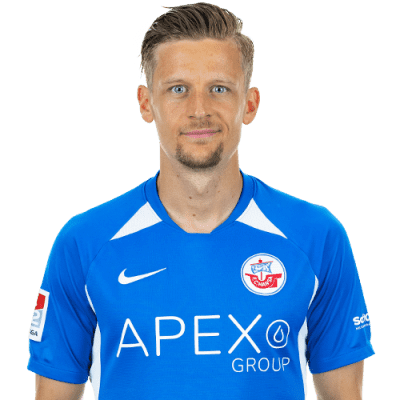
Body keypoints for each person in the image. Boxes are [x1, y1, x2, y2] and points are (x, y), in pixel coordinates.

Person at [27, 2, 375, 399]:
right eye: (178, 89)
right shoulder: (85, 242)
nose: (199, 110)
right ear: (145, 103)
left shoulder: (316, 236)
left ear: (250, 103)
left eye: (219, 89)